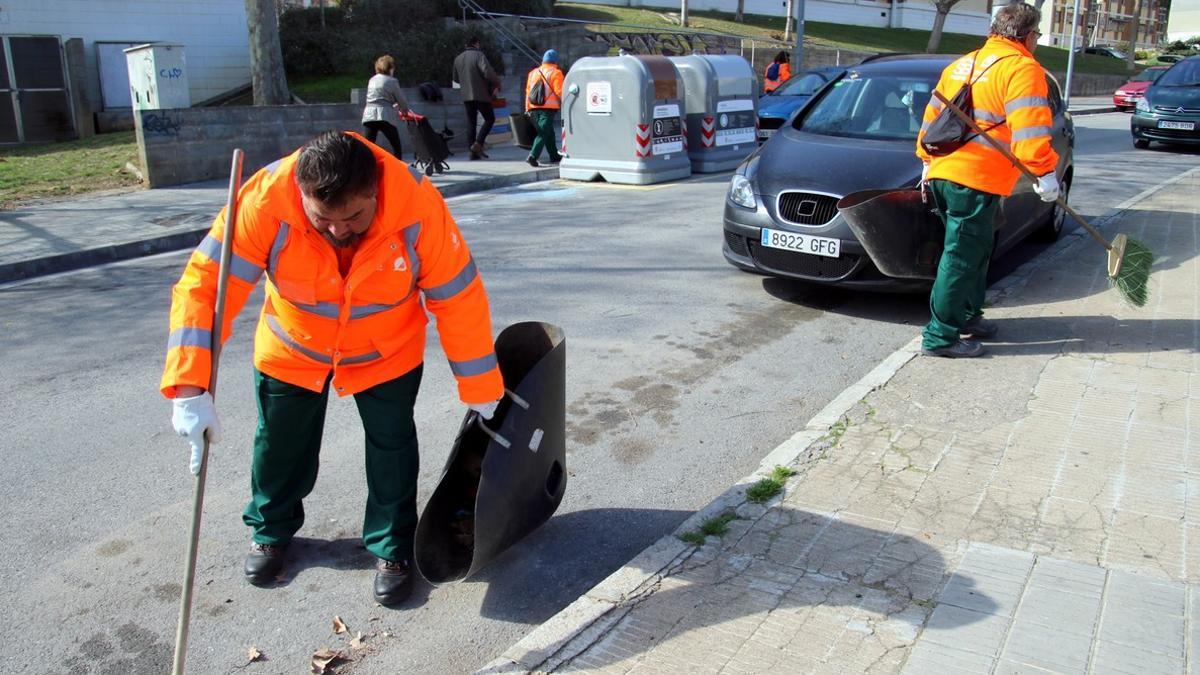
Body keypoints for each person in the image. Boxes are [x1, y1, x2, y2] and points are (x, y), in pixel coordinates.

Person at [163, 131, 504, 606]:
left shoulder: (416, 206)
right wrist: (189, 387)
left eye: (354, 217)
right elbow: (206, 289)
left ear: (375, 192)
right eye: (323, 218)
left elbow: (457, 294)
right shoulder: (265, 200)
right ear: (301, 193)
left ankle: (391, 546)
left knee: (392, 449)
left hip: (386, 352)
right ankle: (271, 529)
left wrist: (479, 383)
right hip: (293, 348)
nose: (339, 230)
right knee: (280, 445)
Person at [914, 2, 1059, 358]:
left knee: (977, 252)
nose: (1036, 41)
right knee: (962, 256)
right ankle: (940, 337)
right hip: (975, 179)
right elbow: (1031, 130)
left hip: (948, 174)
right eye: (1037, 35)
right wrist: (1045, 172)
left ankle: (967, 316)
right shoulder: (1022, 68)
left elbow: (932, 118)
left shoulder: (962, 64)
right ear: (1027, 35)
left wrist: (925, 159)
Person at [452, 36, 502, 161]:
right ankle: (478, 144)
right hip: (481, 94)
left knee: (471, 123)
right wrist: (496, 84)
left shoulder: (458, 59)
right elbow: (488, 72)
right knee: (490, 119)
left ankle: (473, 153)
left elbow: (456, 80)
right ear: (477, 44)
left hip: (466, 96)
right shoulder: (479, 56)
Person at [361, 55, 409, 159]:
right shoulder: (392, 81)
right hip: (385, 116)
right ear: (390, 68)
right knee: (396, 145)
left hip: (369, 115)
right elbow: (401, 99)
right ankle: (398, 169)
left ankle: (365, 168)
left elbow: (378, 96)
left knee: (368, 146)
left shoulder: (372, 80)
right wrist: (404, 110)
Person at [524, 49, 564, 168]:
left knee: (549, 132)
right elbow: (559, 91)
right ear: (555, 61)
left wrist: (527, 108)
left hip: (533, 107)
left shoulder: (533, 73)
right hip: (547, 108)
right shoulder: (556, 73)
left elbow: (527, 92)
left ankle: (554, 155)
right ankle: (533, 156)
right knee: (543, 132)